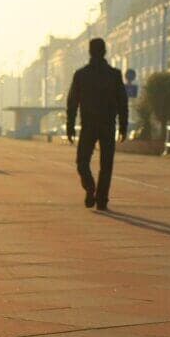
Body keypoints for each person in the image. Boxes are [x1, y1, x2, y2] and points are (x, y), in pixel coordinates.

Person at [66, 37, 128, 211]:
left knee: (82, 161)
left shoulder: (81, 75)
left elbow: (72, 102)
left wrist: (70, 126)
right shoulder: (114, 75)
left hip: (89, 125)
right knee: (106, 164)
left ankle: (90, 186)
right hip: (108, 124)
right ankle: (101, 199)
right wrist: (123, 126)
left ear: (89, 52)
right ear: (105, 52)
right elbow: (122, 102)